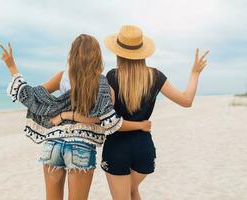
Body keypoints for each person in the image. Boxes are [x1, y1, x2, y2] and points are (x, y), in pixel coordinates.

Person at [56, 25, 209, 200]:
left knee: (124, 194)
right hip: (144, 148)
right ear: (142, 51)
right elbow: (186, 100)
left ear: (118, 51)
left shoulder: (112, 77)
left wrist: (67, 113)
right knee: (131, 191)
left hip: (117, 149)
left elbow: (106, 120)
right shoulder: (156, 76)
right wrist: (195, 73)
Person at [0, 34, 152, 200]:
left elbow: (33, 97)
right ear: (97, 56)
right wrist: (141, 125)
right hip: (81, 146)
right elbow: (107, 121)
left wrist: (12, 67)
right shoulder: (101, 84)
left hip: (53, 145)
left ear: (72, 55)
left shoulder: (62, 76)